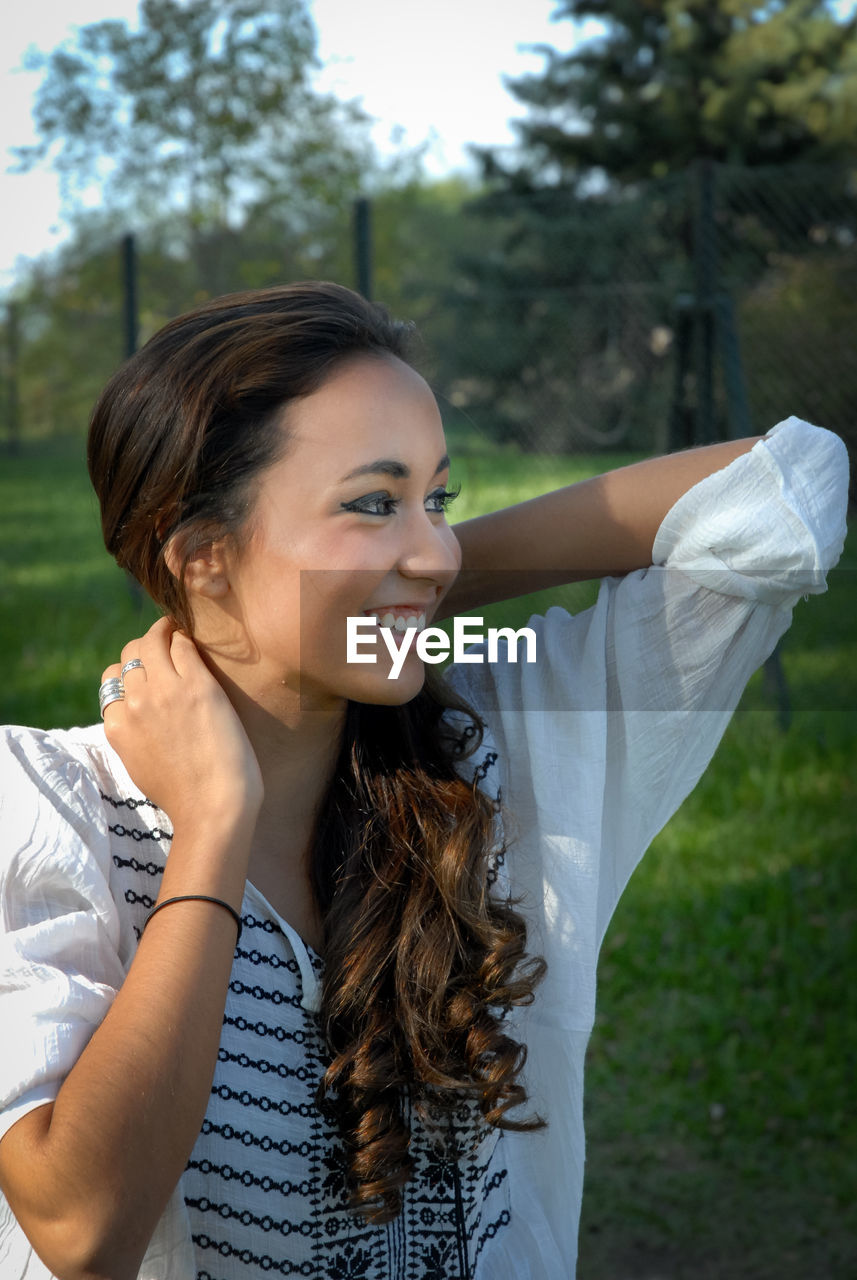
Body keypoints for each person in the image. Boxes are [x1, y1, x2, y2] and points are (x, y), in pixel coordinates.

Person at [0, 281, 848, 1280]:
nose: (434, 542)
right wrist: (215, 825)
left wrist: (403, 586)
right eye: (371, 500)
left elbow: (787, 493)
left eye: (435, 498)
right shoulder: (47, 804)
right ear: (202, 554)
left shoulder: (500, 752)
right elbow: (82, 1224)